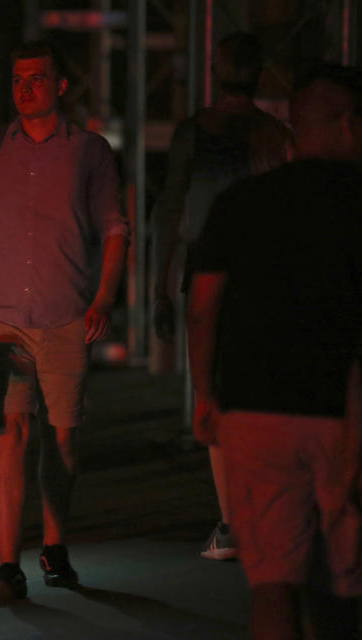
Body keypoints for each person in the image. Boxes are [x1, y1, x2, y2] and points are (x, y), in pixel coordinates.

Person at [187, 64, 362, 640]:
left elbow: (203, 306)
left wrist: (206, 394)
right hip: (344, 412)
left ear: (293, 129)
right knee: (344, 587)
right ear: (350, 123)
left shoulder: (242, 203)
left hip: (256, 411)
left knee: (273, 585)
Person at [0, 39, 129, 602]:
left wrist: (103, 297)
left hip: (63, 313)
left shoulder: (89, 151)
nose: (24, 89)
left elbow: (114, 227)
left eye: (35, 79)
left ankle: (55, 544)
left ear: (60, 85)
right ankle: (9, 565)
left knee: (61, 439)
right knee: (11, 435)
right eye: (16, 80)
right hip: (4, 315)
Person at [152, 32, 291, 561]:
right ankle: (263, 516)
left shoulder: (194, 132)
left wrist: (161, 287)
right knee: (261, 395)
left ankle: (233, 524)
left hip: (209, 274)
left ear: (214, 69)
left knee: (211, 393)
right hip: (266, 279)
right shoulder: (275, 133)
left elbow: (168, 210)